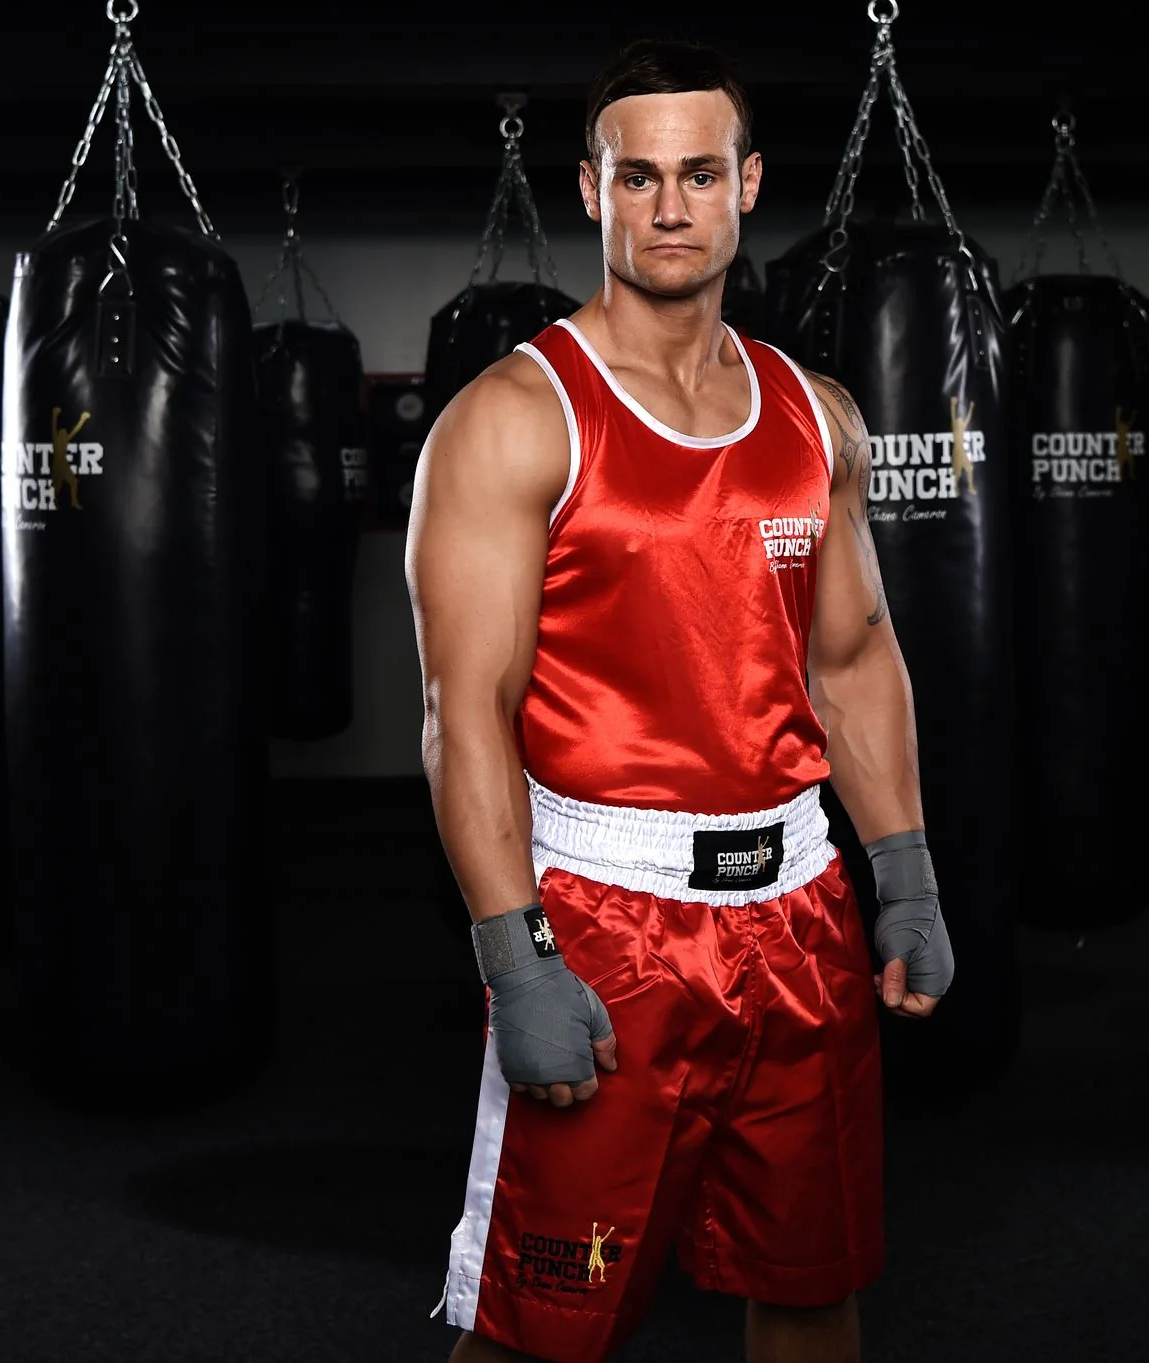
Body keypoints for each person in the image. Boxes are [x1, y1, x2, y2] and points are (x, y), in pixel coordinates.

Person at [405, 38, 954, 1363]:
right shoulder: (514, 417)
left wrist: (905, 871)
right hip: (609, 926)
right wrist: (515, 958)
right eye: (637, 177)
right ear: (591, 190)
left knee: (812, 1290)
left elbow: (852, 658)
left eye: (699, 174)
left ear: (746, 184)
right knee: (538, 1329)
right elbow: (464, 709)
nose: (668, 206)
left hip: (800, 916)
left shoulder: (815, 416)